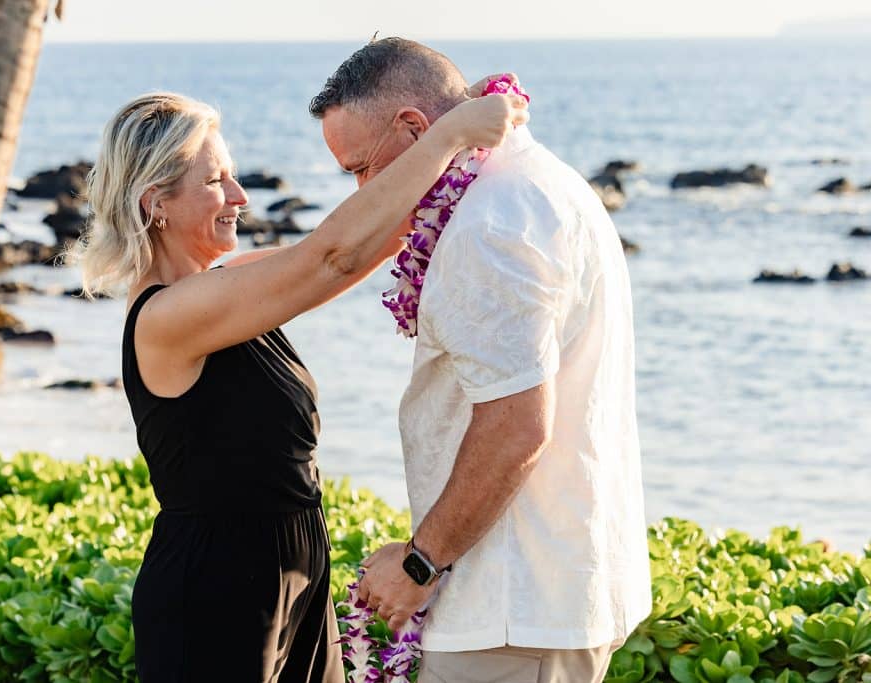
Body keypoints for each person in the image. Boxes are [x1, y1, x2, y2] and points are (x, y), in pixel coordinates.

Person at [69, 89, 528, 681]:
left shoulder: (227, 285)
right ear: (156, 202)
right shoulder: (166, 319)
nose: (240, 197)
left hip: (293, 579)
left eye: (233, 176)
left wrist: (454, 127)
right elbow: (328, 258)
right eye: (216, 181)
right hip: (216, 592)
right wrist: (452, 135)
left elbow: (369, 247)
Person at [310, 38, 652, 683]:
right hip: (538, 592)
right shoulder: (532, 179)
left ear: (416, 129)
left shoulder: (486, 224)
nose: (359, 193)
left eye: (362, 169)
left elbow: (517, 424)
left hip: (513, 610)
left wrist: (419, 563)